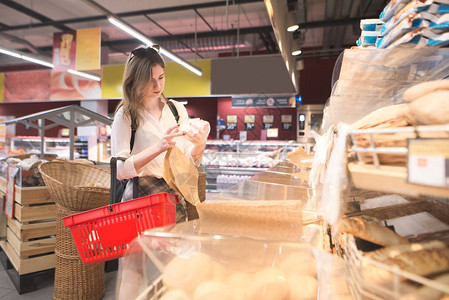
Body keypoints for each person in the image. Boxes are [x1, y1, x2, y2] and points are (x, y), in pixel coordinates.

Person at [111, 45, 210, 299]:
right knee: (133, 270)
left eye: (161, 77)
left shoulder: (176, 110)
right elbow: (121, 170)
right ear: (135, 79)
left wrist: (199, 145)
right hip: (138, 200)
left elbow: (190, 158)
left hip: (170, 196)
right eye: (149, 80)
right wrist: (159, 146)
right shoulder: (126, 114)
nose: (157, 86)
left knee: (176, 268)